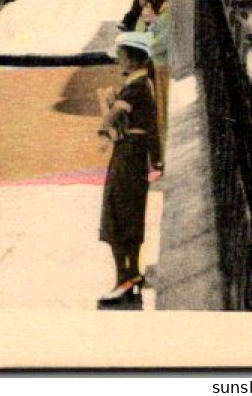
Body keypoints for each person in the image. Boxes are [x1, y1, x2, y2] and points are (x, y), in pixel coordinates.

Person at [97, 30, 162, 307]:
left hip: (127, 156)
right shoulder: (145, 84)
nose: (119, 62)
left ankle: (123, 278)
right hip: (137, 156)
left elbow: (114, 116)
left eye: (122, 57)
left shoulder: (134, 88)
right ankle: (132, 273)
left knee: (116, 213)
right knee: (132, 212)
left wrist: (105, 118)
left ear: (133, 59)